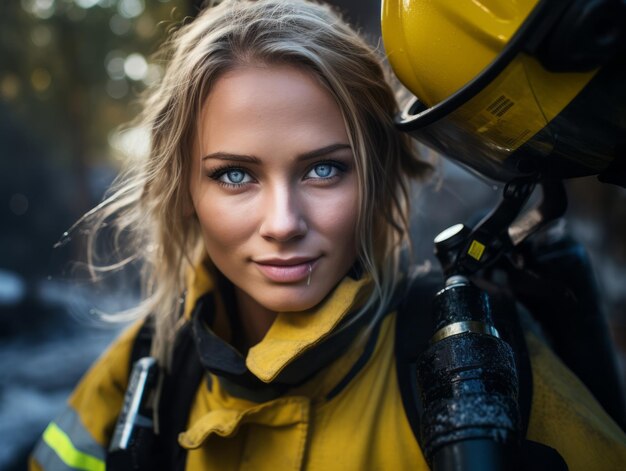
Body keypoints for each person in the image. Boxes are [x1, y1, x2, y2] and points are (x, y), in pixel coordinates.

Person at [30, 1, 626, 470]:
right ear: (185, 190)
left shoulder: (476, 354)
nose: (284, 222)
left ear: (377, 176)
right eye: (235, 175)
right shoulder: (146, 367)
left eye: (324, 169)